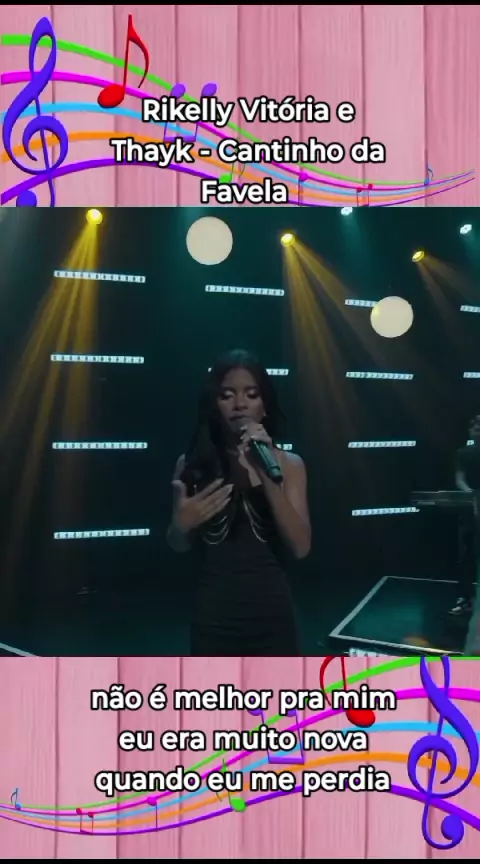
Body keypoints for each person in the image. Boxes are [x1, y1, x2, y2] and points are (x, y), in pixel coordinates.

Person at [166, 349, 311, 656]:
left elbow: (300, 547)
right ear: (214, 405)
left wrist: (266, 472)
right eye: (227, 395)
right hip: (213, 617)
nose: (240, 404)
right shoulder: (191, 464)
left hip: (273, 617)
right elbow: (178, 544)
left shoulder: (290, 464)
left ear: (265, 405)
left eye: (251, 394)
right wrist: (180, 527)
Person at [452, 415, 480, 616]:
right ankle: (465, 599)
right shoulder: (462, 453)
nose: (478, 428)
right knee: (467, 555)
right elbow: (459, 479)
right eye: (475, 425)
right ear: (470, 431)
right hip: (470, 509)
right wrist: (470, 494)